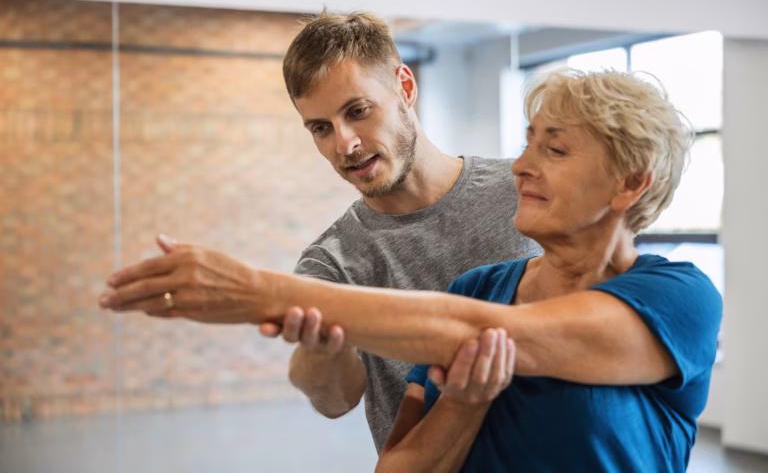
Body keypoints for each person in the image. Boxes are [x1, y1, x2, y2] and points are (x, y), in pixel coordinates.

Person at [100, 68, 721, 472]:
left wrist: (252, 290)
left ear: (630, 184)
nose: (521, 166)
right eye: (528, 143)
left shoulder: (680, 297)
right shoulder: (478, 288)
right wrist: (464, 404)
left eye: (553, 149)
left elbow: (479, 332)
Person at [260, 10, 541, 451]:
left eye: (358, 111)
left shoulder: (525, 191)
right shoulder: (332, 262)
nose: (344, 144)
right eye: (320, 128)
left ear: (405, 88)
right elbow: (334, 400)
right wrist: (319, 347)